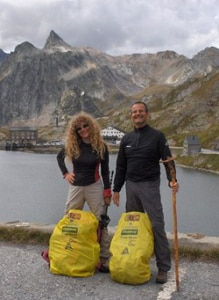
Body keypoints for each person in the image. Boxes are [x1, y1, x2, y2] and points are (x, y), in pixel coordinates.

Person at [112, 101, 179, 284]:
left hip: (150, 186)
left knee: (157, 225)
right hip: (131, 185)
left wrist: (172, 180)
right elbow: (120, 166)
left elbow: (167, 160)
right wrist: (116, 189)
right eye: (134, 112)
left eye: (141, 111)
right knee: (133, 226)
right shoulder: (126, 139)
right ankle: (133, 262)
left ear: (147, 114)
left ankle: (163, 267)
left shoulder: (157, 136)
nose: (137, 114)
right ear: (131, 115)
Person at [57, 111, 112, 273]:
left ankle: (104, 258)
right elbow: (59, 158)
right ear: (75, 131)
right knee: (70, 219)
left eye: (85, 125)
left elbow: (106, 170)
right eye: (79, 128)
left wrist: (107, 191)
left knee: (101, 222)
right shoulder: (73, 145)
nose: (83, 129)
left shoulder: (100, 146)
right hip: (76, 187)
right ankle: (67, 252)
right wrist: (66, 174)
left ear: (91, 125)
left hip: (94, 186)